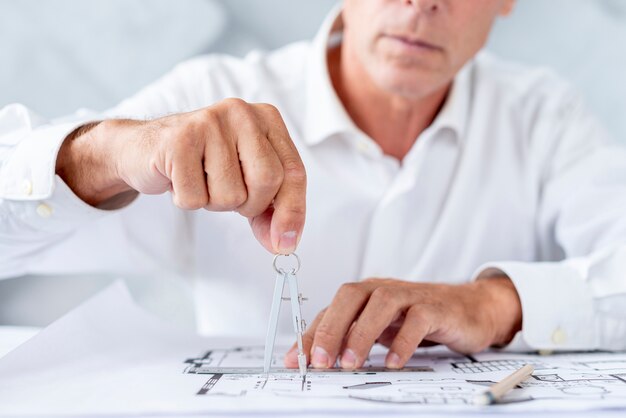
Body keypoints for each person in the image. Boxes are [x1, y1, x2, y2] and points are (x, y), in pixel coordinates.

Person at [1, 0, 625, 372]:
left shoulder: (545, 117)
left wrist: (493, 304)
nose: (420, 2)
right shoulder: (209, 98)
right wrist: (104, 153)